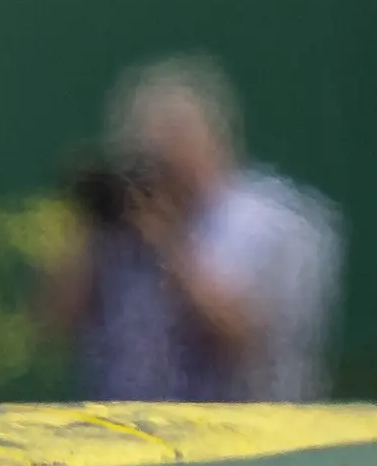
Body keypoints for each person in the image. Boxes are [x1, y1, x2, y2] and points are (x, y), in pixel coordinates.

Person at [50, 55, 341, 402]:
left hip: (244, 435)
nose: (159, 161)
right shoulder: (126, 225)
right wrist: (91, 229)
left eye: (171, 141)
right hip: (128, 433)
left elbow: (241, 335)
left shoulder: (262, 220)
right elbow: (54, 323)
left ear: (212, 140)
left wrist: (167, 244)